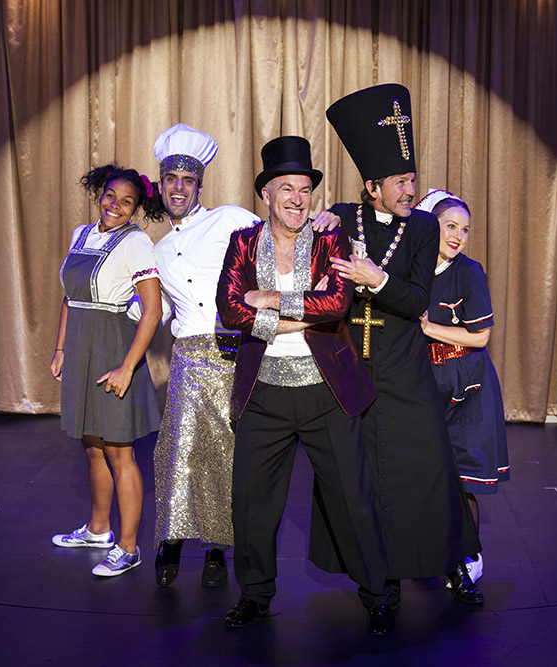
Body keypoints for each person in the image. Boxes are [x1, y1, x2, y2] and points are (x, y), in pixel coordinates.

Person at [216, 136, 394, 635]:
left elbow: (335, 305)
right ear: (267, 194)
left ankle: (379, 593)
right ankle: (253, 594)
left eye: (305, 189)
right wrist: (292, 304)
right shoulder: (243, 242)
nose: (298, 198)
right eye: (286, 188)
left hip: (326, 392)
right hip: (263, 395)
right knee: (251, 503)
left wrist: (266, 300)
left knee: (352, 499)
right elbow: (230, 310)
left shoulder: (331, 240)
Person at [150, 124, 340, 588]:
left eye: (188, 180)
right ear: (159, 185)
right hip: (188, 358)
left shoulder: (230, 220)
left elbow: (286, 226)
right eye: (170, 179)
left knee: (229, 458)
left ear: (199, 185)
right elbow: (148, 308)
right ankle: (171, 543)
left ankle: (218, 549)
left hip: (237, 352)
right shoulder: (154, 248)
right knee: (178, 453)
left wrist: (329, 216)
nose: (179, 187)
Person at [324, 84, 483, 604]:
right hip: (355, 366)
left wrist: (375, 279)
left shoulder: (420, 229)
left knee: (429, 466)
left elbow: (417, 300)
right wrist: (321, 221)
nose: (410, 188)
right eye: (399, 180)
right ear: (373, 185)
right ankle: (381, 580)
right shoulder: (345, 218)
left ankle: (457, 561)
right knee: (365, 474)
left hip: (405, 364)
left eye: (412, 178)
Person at [50, 164, 163, 577]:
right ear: (101, 193)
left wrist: (127, 368)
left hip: (114, 347)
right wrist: (61, 348)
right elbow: (68, 299)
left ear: (136, 210)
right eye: (111, 196)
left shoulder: (135, 242)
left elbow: (152, 310)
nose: (115, 205)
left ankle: (129, 547)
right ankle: (98, 530)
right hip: (81, 346)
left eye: (126, 202)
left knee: (120, 451)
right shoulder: (81, 234)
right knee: (92, 445)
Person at [415, 188, 511, 584]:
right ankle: (429, 551)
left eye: (465, 229)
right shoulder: (415, 271)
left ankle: (466, 558)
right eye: (450, 226)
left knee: (462, 479)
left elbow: (481, 336)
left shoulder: (468, 271)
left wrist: (429, 327)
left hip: (468, 383)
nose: (457, 235)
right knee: (426, 478)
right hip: (425, 383)